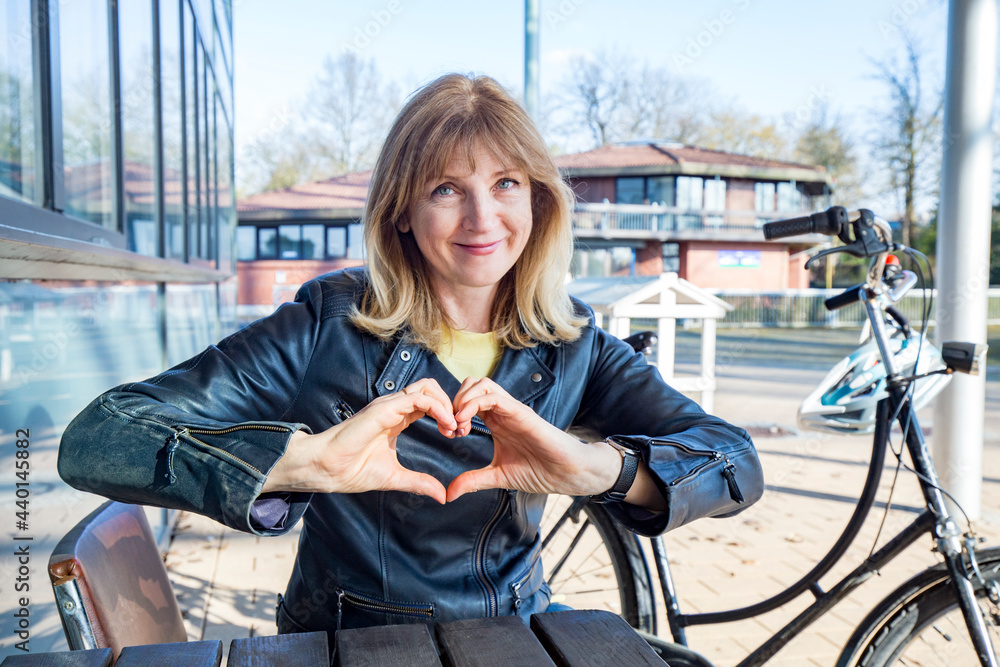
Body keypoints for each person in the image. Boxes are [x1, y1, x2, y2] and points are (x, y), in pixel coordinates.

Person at [59, 73, 762, 635]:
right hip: (346, 641)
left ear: (539, 200)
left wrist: (596, 467)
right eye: (446, 188)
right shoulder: (328, 322)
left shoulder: (572, 338)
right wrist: (302, 461)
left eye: (506, 183)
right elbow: (98, 436)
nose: (483, 219)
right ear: (402, 209)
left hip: (519, 637)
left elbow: (735, 460)